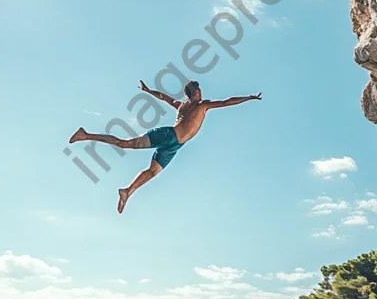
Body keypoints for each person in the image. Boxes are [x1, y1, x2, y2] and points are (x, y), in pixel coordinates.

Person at [69, 80, 262, 213]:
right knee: (125, 144)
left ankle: (127, 191)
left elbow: (163, 97)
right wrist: (250, 97)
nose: (201, 92)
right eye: (198, 90)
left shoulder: (182, 105)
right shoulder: (201, 104)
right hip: (168, 135)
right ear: (195, 93)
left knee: (152, 172)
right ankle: (85, 135)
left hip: (174, 146)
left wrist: (148, 91)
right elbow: (227, 102)